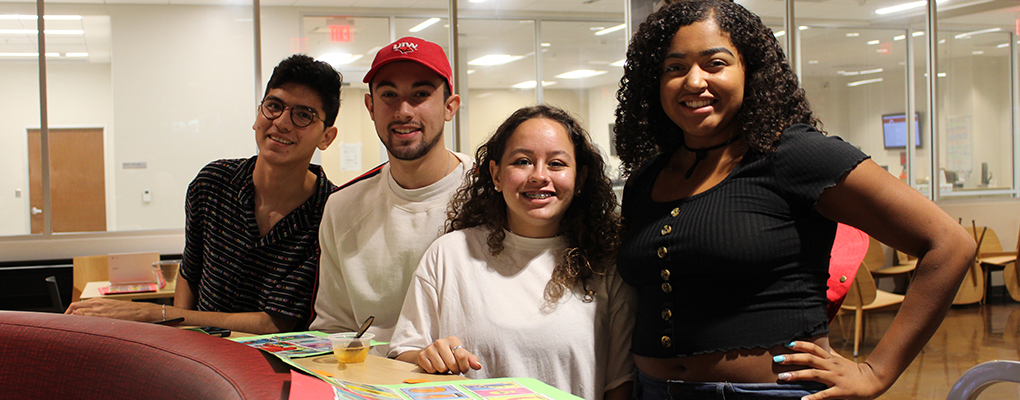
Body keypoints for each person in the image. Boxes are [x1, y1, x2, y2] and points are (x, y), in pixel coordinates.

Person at [613, 1, 976, 399]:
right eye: (674, 67)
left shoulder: (794, 155)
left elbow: (950, 243)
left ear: (750, 71)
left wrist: (876, 371)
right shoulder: (646, 179)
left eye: (715, 63)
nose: (694, 81)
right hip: (651, 390)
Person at [66, 54, 342, 334]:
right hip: (203, 353)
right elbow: (190, 272)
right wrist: (176, 338)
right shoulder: (213, 184)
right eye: (274, 106)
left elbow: (274, 322)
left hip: (275, 366)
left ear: (326, 137)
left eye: (303, 115)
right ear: (258, 115)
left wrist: (153, 314)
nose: (282, 122)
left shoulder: (332, 211)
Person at [388, 105, 635, 400]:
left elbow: (618, 384)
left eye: (556, 164)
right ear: (496, 174)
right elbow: (402, 356)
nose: (539, 176)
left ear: (580, 179)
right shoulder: (450, 254)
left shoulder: (605, 265)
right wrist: (426, 358)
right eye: (522, 161)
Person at [309, 37, 471, 355]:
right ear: (371, 107)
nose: (403, 110)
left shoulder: (493, 194)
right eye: (389, 95)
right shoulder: (343, 207)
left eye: (421, 94)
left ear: (450, 107)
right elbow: (333, 331)